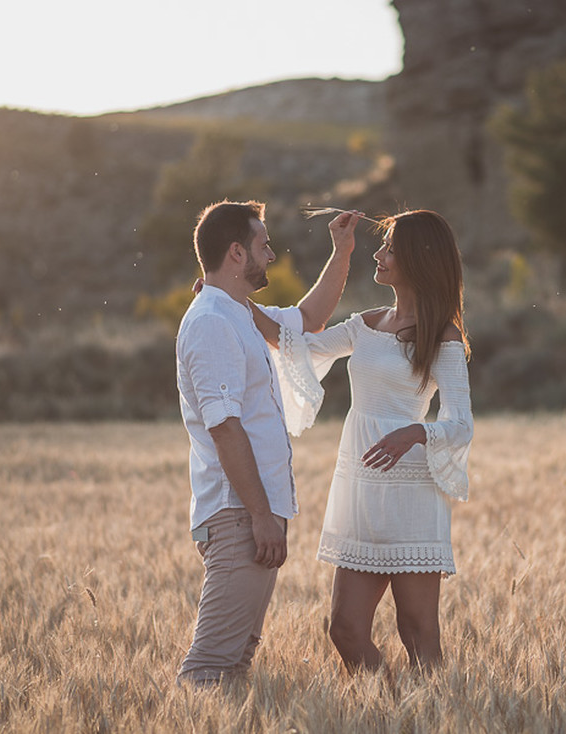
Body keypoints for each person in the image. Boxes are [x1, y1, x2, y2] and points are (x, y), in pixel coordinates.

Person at [252, 209, 473, 672]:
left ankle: (426, 719)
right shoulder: (365, 324)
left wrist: (416, 431)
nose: (380, 253)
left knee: (416, 631)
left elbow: (460, 425)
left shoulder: (442, 337)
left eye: (390, 247)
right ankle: (391, 709)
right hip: (360, 488)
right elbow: (295, 344)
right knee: (344, 629)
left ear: (418, 258)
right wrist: (230, 298)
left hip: (412, 492)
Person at [174, 199, 360, 686]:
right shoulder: (213, 321)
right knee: (211, 666)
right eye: (263, 245)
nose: (271, 256)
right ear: (236, 253)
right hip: (240, 514)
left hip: (253, 513)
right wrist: (259, 515)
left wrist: (341, 252)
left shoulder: (240, 313)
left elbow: (308, 319)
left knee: (234, 665)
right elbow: (225, 427)